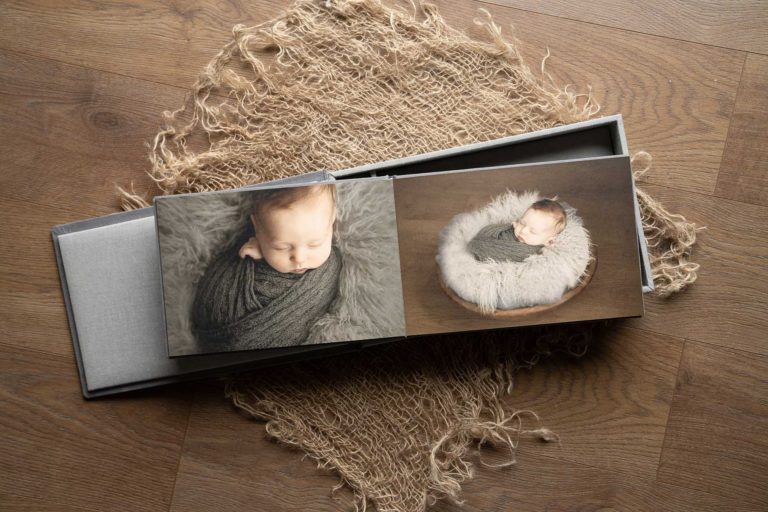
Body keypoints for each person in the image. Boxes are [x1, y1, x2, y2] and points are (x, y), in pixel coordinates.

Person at [192, 183, 342, 351]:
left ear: (332, 221)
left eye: (314, 244)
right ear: (257, 229)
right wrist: (262, 252)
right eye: (281, 247)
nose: (299, 258)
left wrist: (270, 249)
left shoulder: (336, 267)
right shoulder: (247, 253)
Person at [467, 198, 567, 263]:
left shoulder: (533, 256)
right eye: (522, 223)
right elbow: (486, 232)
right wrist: (515, 224)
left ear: (548, 240)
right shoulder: (507, 232)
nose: (523, 231)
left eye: (533, 231)